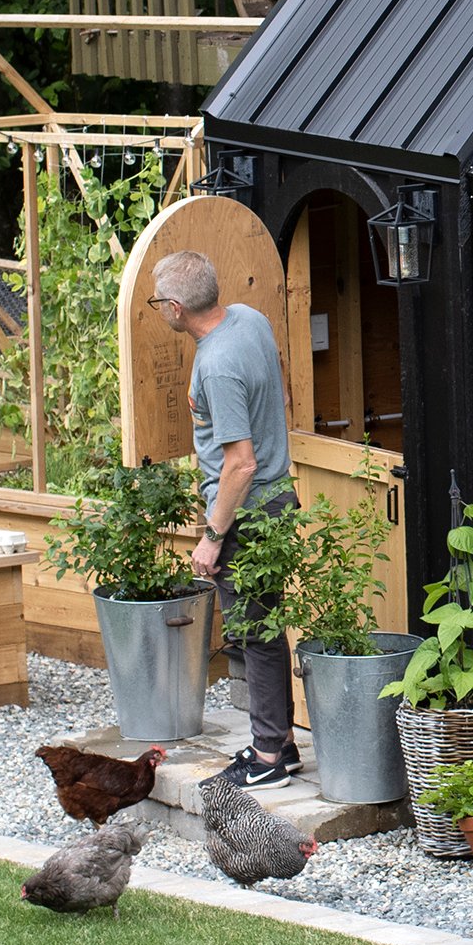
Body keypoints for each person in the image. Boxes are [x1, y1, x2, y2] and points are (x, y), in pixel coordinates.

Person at [151, 248, 300, 786]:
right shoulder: (251, 320)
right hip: (277, 498)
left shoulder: (216, 364)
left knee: (254, 632)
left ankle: (267, 760)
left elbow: (240, 463)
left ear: (175, 307)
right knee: (266, 625)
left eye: (156, 303)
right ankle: (281, 740)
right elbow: (278, 387)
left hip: (249, 510)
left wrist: (213, 536)